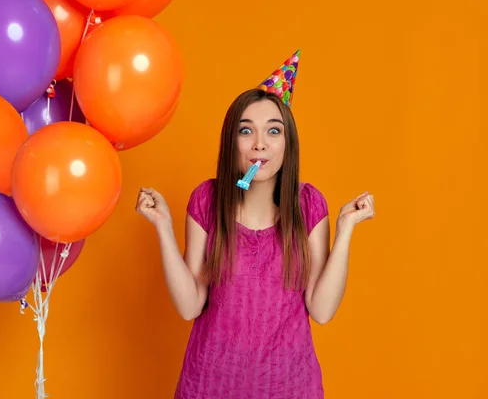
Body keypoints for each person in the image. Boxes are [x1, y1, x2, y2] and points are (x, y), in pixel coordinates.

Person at [135, 51, 375, 398]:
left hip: (290, 387)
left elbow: (321, 310)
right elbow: (190, 305)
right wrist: (162, 227)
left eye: (273, 131)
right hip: (210, 385)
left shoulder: (309, 206)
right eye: (246, 131)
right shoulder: (207, 201)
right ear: (231, 143)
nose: (259, 143)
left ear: (287, 144)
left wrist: (346, 227)